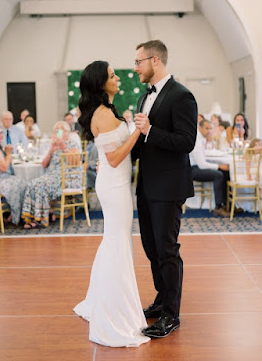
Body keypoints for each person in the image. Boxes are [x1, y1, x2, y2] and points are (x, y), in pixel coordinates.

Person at [73, 60, 150, 347]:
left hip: (116, 185)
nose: (117, 78)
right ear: (100, 84)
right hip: (115, 187)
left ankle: (105, 298)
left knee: (114, 242)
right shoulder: (103, 114)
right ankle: (115, 312)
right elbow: (115, 158)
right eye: (111, 75)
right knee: (117, 243)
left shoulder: (107, 111)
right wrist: (138, 130)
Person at [132, 40, 197, 338]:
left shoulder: (182, 96)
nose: (135, 68)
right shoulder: (143, 96)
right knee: (151, 247)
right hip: (146, 184)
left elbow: (186, 142)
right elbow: (141, 142)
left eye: (138, 62)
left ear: (154, 60)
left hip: (169, 186)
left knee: (167, 250)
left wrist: (150, 131)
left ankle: (172, 315)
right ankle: (161, 299)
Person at [21, 121, 80, 228]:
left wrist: (63, 147)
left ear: (67, 132)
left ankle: (40, 218)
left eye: (60, 130)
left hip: (65, 176)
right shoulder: (54, 145)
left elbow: (75, 162)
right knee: (31, 184)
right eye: (55, 130)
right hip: (51, 175)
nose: (57, 133)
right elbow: (44, 164)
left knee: (39, 186)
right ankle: (33, 217)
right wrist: (51, 150)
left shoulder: (72, 143)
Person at [189, 119, 230, 217]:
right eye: (207, 128)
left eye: (211, 128)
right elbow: (202, 165)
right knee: (219, 175)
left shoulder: (202, 139)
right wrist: (219, 166)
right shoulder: (197, 141)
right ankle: (218, 207)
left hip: (197, 166)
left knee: (225, 172)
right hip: (193, 170)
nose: (209, 131)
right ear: (200, 128)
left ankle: (228, 205)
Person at [0, 124, 26, 225]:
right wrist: (8, 153)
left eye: (1, 133)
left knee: (21, 182)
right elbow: (4, 167)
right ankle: (15, 215)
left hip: (2, 177)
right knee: (20, 183)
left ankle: (15, 214)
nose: (0, 135)